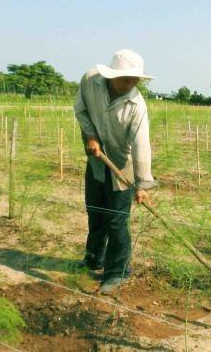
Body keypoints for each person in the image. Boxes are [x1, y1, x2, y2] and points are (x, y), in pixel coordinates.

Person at [74, 49, 157, 293]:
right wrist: (89, 135)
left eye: (134, 80)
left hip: (123, 166)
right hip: (97, 162)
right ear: (111, 75)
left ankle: (117, 272)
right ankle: (93, 258)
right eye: (125, 79)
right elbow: (81, 110)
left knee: (117, 221)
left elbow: (142, 145)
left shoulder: (136, 105)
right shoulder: (90, 81)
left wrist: (142, 184)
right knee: (95, 213)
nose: (130, 84)